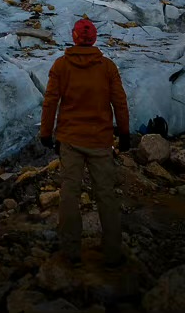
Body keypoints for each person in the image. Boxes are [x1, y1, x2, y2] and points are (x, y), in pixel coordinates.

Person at [39, 16, 130, 266]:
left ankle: (70, 252)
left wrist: (46, 134)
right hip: (100, 140)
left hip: (70, 139)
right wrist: (124, 134)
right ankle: (112, 252)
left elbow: (50, 102)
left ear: (74, 37)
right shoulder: (107, 67)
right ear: (95, 39)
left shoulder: (61, 66)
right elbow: (119, 102)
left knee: (70, 194)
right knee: (106, 195)